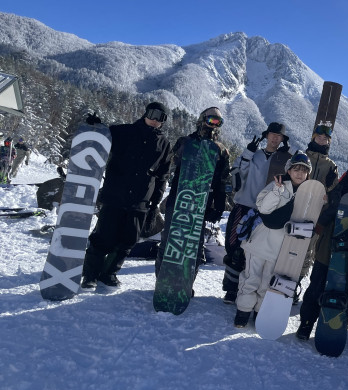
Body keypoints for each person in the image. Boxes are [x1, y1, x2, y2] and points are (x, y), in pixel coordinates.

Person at [81, 102, 172, 289]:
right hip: (115, 195)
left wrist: (154, 204)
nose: (155, 120)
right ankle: (90, 275)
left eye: (160, 118)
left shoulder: (164, 144)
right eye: (153, 114)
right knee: (103, 237)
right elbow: (102, 139)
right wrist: (95, 127)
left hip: (141, 200)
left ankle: (108, 273)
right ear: (145, 113)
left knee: (128, 241)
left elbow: (162, 176)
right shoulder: (123, 132)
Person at [295, 159, 348, 341]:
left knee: (339, 289)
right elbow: (321, 213)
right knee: (316, 287)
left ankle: (332, 324)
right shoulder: (335, 192)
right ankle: (306, 323)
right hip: (327, 248)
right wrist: (329, 206)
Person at [234, 152, 313, 327]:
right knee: (251, 279)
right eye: (296, 169)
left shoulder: (308, 195)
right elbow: (264, 208)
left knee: (267, 283)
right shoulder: (277, 184)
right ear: (289, 170)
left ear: (308, 174)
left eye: (304, 170)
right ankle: (243, 312)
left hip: (281, 248)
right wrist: (277, 192)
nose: (300, 173)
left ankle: (259, 313)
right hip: (260, 242)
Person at [155, 107, 232, 286]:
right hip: (180, 198)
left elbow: (223, 181)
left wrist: (219, 206)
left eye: (218, 122)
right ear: (202, 119)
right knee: (170, 241)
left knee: (193, 246)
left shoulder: (221, 150)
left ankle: (185, 284)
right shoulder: (185, 142)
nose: (214, 125)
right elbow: (170, 166)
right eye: (211, 120)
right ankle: (163, 282)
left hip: (201, 203)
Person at [222, 122, 291, 303]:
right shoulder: (254, 154)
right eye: (272, 134)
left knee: (254, 252)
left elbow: (291, 178)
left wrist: (287, 157)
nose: (275, 138)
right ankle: (231, 289)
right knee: (234, 247)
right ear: (266, 135)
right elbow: (238, 173)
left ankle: (248, 291)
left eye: (279, 136)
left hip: (266, 212)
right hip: (245, 205)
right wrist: (248, 152)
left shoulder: (283, 159)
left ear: (283, 139)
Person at [297, 124, 340, 287]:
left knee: (307, 250)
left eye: (325, 139)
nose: (321, 141)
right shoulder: (302, 157)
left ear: (328, 142)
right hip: (295, 207)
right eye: (319, 138)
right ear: (313, 138)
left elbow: (332, 194)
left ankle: (296, 282)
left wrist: (329, 187)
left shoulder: (331, 166)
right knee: (287, 244)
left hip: (315, 213)